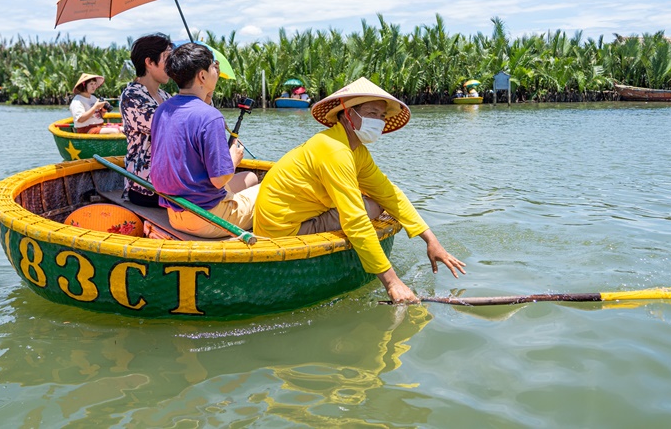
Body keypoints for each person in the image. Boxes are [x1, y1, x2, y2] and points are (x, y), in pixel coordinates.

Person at [253, 77, 466, 303]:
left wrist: (431, 239)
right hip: (282, 232)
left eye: (382, 116)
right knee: (368, 209)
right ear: (348, 114)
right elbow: (355, 220)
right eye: (372, 113)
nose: (379, 121)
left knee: (377, 201)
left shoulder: (355, 151)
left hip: (293, 217)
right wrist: (392, 282)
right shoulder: (335, 150)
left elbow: (388, 192)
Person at [149, 43, 259, 238]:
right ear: (202, 76)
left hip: (176, 213)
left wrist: (206, 97)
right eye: (213, 67)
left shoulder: (162, 110)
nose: (216, 71)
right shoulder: (210, 117)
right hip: (208, 219)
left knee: (251, 177)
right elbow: (218, 181)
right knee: (268, 189)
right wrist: (233, 159)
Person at [119, 33, 173, 207]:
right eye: (167, 59)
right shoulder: (132, 96)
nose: (172, 66)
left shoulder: (165, 96)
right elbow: (168, 128)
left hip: (170, 183)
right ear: (149, 62)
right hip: (145, 187)